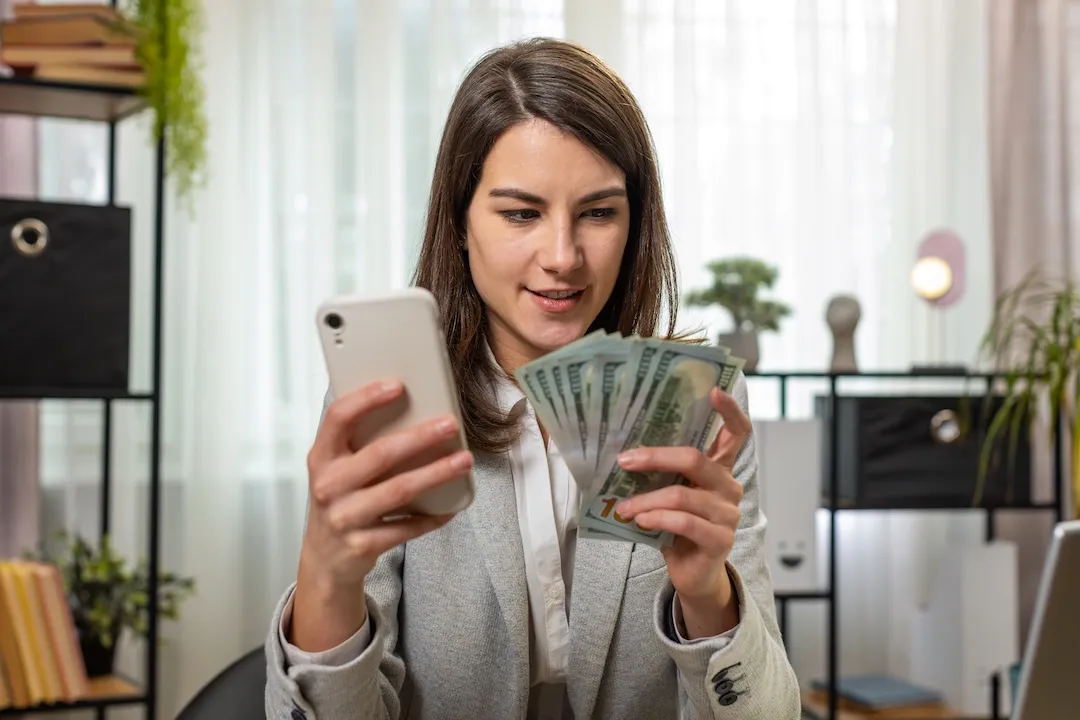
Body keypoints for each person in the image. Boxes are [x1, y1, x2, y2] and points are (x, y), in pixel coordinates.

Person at [264, 37, 801, 720]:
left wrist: (708, 598)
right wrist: (326, 581)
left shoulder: (695, 404)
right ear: (460, 223)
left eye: (598, 213)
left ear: (634, 225)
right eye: (521, 213)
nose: (563, 257)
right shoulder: (385, 403)